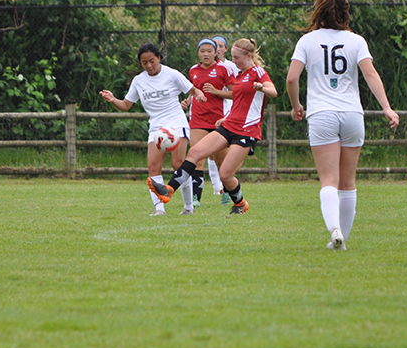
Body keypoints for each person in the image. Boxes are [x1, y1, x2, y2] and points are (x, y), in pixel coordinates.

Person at [286, 0, 399, 251]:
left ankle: (333, 229)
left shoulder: (307, 41)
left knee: (328, 181)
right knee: (348, 183)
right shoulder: (356, 41)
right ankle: (342, 240)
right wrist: (387, 107)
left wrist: (296, 105)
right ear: (345, 12)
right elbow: (370, 74)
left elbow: (292, 78)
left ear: (319, 11)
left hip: (322, 115)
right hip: (352, 115)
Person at [148, 38, 277, 215]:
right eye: (232, 56)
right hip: (230, 125)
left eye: (236, 57)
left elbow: (273, 91)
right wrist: (226, 118)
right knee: (195, 153)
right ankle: (168, 190)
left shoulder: (258, 72)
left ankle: (240, 203)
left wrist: (262, 88)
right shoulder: (239, 75)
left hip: (246, 130)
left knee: (225, 174)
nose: (234, 61)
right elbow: (239, 103)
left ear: (248, 55)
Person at [100, 42, 206, 216]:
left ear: (159, 58)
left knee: (178, 165)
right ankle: (159, 209)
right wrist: (113, 99)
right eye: (144, 63)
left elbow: (192, 90)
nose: (149, 65)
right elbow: (126, 105)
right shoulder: (139, 81)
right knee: (153, 167)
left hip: (176, 123)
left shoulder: (172, 74)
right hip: (157, 128)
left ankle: (188, 207)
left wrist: (199, 95)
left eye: (152, 61)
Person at [179, 38, 234, 208]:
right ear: (198, 53)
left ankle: (226, 193)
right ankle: (196, 197)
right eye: (202, 51)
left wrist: (216, 92)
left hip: (218, 120)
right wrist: (188, 100)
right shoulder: (193, 70)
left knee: (221, 161)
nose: (206, 54)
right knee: (197, 157)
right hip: (198, 120)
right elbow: (193, 89)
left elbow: (234, 93)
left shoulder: (223, 69)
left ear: (215, 53)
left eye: (209, 51)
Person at [208, 36, 239, 205]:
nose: (217, 49)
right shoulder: (202, 67)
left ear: (225, 49)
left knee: (221, 151)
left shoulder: (231, 66)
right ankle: (216, 187)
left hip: (227, 110)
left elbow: (235, 89)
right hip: (209, 111)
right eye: (215, 46)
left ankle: (225, 189)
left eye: (220, 46)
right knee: (211, 153)